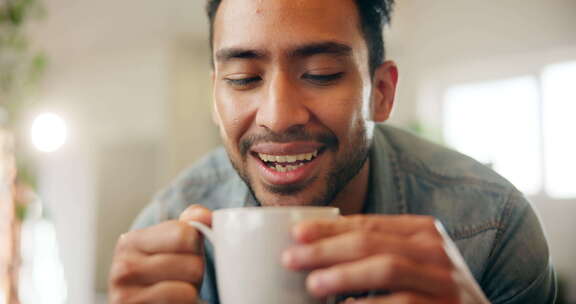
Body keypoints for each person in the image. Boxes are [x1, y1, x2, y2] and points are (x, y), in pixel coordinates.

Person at [108, 0, 557, 303]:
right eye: (244, 78)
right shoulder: (163, 229)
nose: (278, 116)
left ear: (380, 91)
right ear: (214, 98)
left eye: (321, 73)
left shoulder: (494, 227)